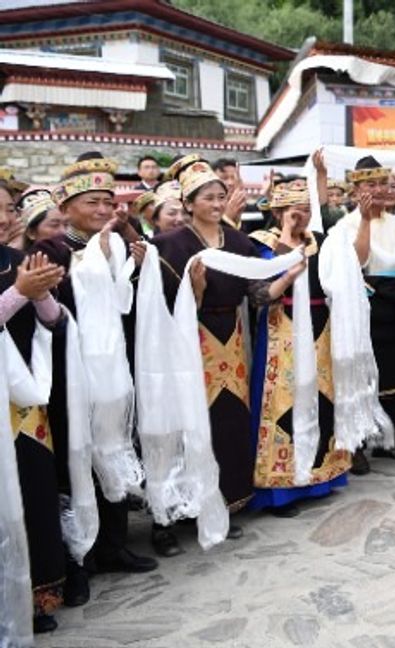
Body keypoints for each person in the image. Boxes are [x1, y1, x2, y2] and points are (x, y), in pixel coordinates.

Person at [152, 159, 302, 547]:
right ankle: (171, 517)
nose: (217, 203)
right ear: (188, 203)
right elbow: (158, 307)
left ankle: (220, 502)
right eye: (208, 197)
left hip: (231, 338)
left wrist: (286, 276)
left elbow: (255, 295)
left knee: (228, 421)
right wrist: (195, 292)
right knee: (186, 422)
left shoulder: (237, 242)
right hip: (188, 339)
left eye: (221, 196)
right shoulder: (170, 246)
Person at [32, 152, 156, 609]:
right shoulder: (51, 250)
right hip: (69, 372)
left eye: (108, 202)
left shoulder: (114, 243)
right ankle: (76, 561)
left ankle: (113, 545)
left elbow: (123, 305)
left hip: (111, 367)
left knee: (114, 447)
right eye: (93, 202)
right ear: (67, 207)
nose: (104, 211)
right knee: (75, 459)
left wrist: (132, 265)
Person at [247, 187, 351, 517]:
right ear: (277, 212)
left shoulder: (320, 240)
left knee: (321, 397)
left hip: (321, 327)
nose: (300, 214)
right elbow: (260, 290)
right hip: (283, 327)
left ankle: (320, 477)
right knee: (283, 401)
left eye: (306, 208)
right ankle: (280, 489)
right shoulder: (260, 242)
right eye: (293, 209)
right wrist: (288, 235)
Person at [0, 177, 69, 634]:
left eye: (8, 209)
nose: (6, 219)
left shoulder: (18, 260)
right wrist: (19, 293)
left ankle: (35, 596)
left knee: (34, 495)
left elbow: (55, 322)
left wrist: (43, 294)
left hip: (24, 397)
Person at [330, 155, 395, 462]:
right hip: (364, 304)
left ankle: (388, 439)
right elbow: (357, 260)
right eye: (371, 184)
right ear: (357, 189)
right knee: (361, 375)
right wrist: (366, 219)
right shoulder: (345, 224)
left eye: (383, 183)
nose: (379, 189)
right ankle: (357, 445)